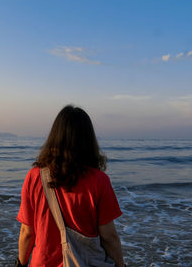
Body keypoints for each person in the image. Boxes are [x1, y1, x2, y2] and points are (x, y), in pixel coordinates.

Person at [16, 105, 125, 267]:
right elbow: (109, 236)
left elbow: (27, 233)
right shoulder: (99, 180)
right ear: (88, 139)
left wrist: (21, 264)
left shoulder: (34, 176)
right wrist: (121, 265)